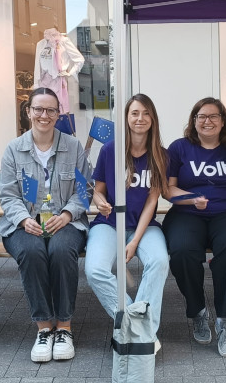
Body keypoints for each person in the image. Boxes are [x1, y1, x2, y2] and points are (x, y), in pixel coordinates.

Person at [0, 87, 91, 363]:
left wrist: (68, 214)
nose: (44, 115)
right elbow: (8, 194)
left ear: (58, 114)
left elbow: (84, 189)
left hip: (66, 221)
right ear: (28, 112)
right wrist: (24, 219)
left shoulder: (73, 147)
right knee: (31, 251)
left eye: (51, 110)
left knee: (61, 251)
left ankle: (64, 327)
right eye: (38, 109)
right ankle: (43, 328)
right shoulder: (14, 149)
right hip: (23, 224)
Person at [162, 97, 226, 357]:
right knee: (181, 250)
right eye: (201, 116)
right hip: (187, 212)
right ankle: (198, 310)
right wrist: (192, 198)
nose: (207, 121)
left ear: (223, 121)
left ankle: (225, 319)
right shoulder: (179, 148)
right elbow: (167, 189)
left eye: (213, 116)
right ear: (194, 120)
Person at [85, 94, 169, 348]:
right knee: (95, 270)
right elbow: (97, 191)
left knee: (159, 261)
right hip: (109, 223)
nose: (140, 118)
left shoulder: (160, 155)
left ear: (153, 119)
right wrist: (100, 201)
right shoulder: (110, 150)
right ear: (126, 118)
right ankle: (136, 323)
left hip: (144, 225)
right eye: (134, 113)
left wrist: (134, 242)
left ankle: (141, 331)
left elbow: (152, 201)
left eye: (146, 113)